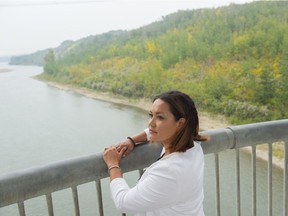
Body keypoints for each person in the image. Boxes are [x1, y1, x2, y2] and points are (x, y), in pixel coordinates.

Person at [102, 90, 208, 216]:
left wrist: (113, 164)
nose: (151, 123)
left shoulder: (170, 171)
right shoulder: (193, 146)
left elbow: (123, 202)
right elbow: (152, 130)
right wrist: (132, 140)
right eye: (151, 115)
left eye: (160, 117)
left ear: (180, 124)